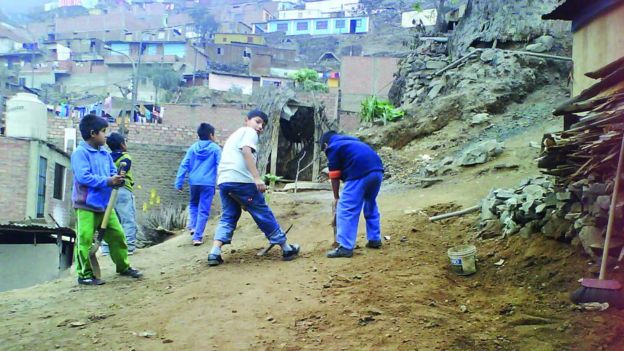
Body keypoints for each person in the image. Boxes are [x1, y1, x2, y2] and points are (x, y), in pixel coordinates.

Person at [207, 109, 300, 266]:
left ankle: (214, 252)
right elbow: (246, 151)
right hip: (241, 181)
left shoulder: (235, 135)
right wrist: (257, 178)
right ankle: (286, 248)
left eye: (262, 125)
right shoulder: (248, 132)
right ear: (247, 120)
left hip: (224, 181)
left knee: (229, 215)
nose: (260, 127)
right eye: (257, 121)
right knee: (262, 212)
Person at [71, 114, 143, 285]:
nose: (106, 136)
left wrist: (116, 177)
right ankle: (85, 274)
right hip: (86, 205)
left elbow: (112, 171)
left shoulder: (104, 153)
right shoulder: (80, 153)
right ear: (93, 133)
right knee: (85, 238)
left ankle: (123, 266)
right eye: (103, 132)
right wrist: (108, 181)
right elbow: (83, 177)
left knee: (117, 236)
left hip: (105, 206)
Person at [320, 130, 384, 258]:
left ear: (325, 145)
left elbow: (334, 175)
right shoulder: (353, 142)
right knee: (370, 203)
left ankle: (345, 246)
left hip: (359, 173)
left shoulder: (333, 147)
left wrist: (336, 196)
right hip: (377, 171)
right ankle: (374, 239)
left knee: (346, 208)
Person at [175, 123, 221, 245]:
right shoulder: (215, 149)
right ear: (211, 135)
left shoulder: (193, 148)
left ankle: (193, 227)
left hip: (193, 182)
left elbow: (184, 164)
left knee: (194, 204)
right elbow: (220, 165)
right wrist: (221, 181)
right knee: (204, 210)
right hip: (208, 183)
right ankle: (197, 237)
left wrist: (179, 182)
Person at [101, 132, 139, 255]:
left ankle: (106, 249)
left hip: (109, 190)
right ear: (122, 145)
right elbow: (124, 169)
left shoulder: (106, 157)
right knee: (127, 219)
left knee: (110, 220)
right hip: (123, 190)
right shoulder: (126, 157)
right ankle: (129, 247)